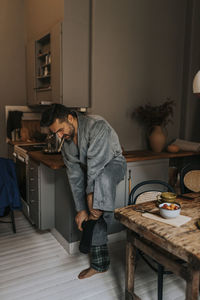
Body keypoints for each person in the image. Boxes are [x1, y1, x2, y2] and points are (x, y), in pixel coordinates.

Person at [41, 104, 126, 279]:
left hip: (112, 164)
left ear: (70, 118)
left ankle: (96, 218)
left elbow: (96, 166)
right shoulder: (66, 145)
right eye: (55, 133)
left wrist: (91, 204)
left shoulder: (97, 126)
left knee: (99, 191)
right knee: (92, 202)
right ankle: (99, 264)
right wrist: (81, 210)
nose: (59, 136)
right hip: (92, 171)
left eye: (60, 130)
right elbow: (75, 177)